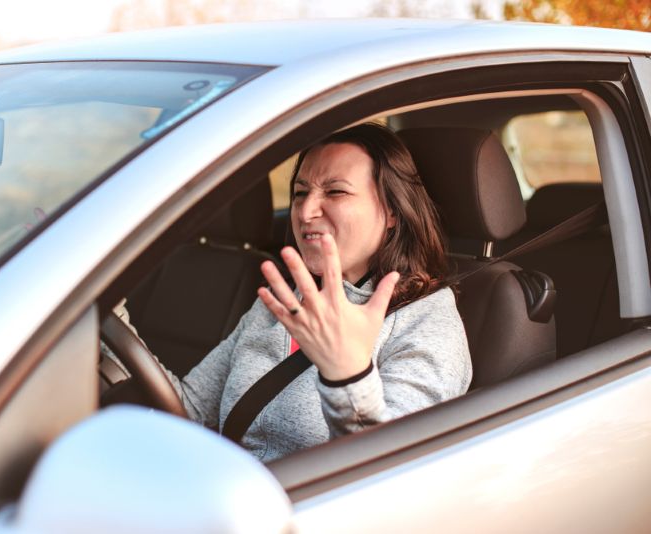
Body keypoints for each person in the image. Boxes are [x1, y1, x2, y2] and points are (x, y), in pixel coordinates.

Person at [119, 122, 472, 462]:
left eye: (335, 191)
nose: (305, 211)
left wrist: (348, 375)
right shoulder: (282, 301)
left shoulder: (426, 321)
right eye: (300, 192)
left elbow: (388, 471)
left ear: (392, 210)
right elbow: (189, 411)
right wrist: (107, 314)